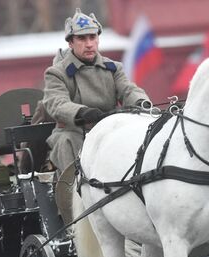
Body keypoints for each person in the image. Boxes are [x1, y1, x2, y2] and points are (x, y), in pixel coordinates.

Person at [42, 8, 150, 173]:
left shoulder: (113, 68)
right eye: (81, 38)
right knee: (66, 141)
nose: (89, 44)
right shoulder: (57, 73)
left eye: (93, 37)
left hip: (111, 127)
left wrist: (140, 102)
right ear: (70, 43)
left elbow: (128, 89)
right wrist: (82, 112)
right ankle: (73, 192)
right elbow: (56, 103)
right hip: (75, 131)